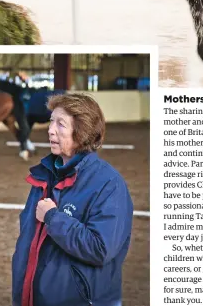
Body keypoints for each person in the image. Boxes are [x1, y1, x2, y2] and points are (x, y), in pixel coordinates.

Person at [12, 93, 133, 306]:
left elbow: (100, 249)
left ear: (82, 131)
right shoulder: (43, 176)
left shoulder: (108, 184)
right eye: (51, 122)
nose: (50, 130)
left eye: (61, 124)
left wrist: (52, 218)